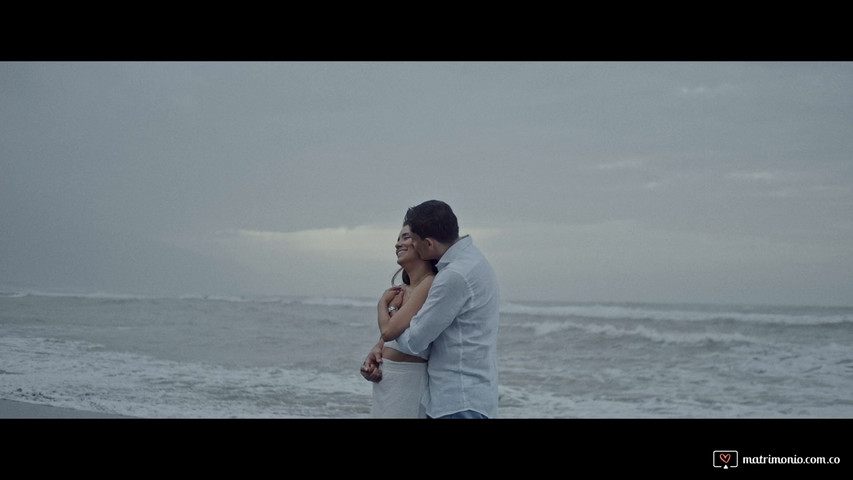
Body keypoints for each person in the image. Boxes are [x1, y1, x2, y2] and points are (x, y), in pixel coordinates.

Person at [363, 200, 501, 419]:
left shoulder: (454, 276)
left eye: (412, 240)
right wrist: (380, 345)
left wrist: (388, 313)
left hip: (458, 401)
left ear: (428, 243)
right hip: (464, 397)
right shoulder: (472, 261)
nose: (406, 244)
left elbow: (416, 340)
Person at [360, 224, 437, 418]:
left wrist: (383, 305)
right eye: (398, 238)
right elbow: (386, 339)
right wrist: (374, 359)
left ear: (423, 243)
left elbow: (389, 331)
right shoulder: (401, 290)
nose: (397, 244)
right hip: (387, 380)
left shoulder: (430, 283)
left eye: (405, 237)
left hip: (409, 382)